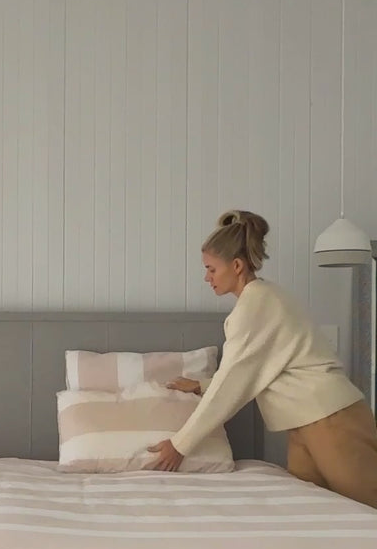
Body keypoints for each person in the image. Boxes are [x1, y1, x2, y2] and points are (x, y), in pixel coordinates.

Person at [148, 210, 377, 509]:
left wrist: (180, 445)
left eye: (211, 269)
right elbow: (251, 373)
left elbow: (231, 387)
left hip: (331, 418)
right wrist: (202, 385)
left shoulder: (255, 306)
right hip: (307, 422)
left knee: (367, 506)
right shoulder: (262, 299)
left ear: (237, 265)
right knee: (315, 511)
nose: (207, 277)